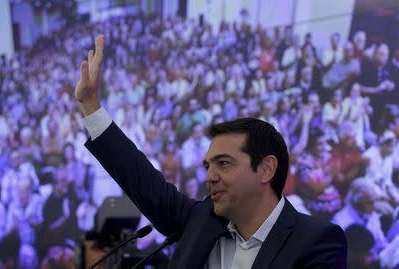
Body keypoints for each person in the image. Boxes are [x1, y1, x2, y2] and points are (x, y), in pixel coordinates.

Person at [74, 35, 347, 268]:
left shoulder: (316, 241)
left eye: (224, 164)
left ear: (265, 169)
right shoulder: (200, 219)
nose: (210, 176)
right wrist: (90, 105)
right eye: (208, 166)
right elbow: (139, 177)